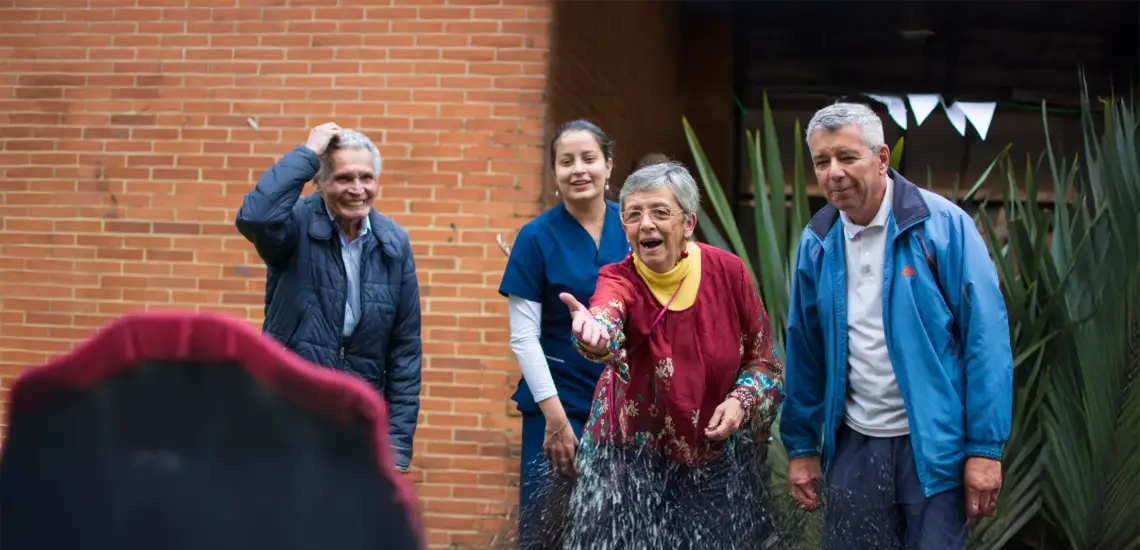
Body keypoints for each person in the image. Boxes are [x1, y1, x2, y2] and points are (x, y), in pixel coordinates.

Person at [779, 102, 1013, 549]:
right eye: (821, 161)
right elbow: (805, 351)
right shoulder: (817, 242)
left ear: (882, 158)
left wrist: (985, 449)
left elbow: (987, 340)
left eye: (847, 157)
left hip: (934, 451)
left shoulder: (942, 227)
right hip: (855, 447)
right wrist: (802, 447)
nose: (833, 173)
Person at [555, 161, 785, 548]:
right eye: (633, 215)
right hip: (626, 457)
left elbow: (764, 363)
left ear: (688, 223)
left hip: (711, 456)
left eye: (660, 212)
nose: (646, 224)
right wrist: (594, 336)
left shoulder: (729, 272)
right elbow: (605, 316)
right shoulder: (618, 277)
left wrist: (741, 401)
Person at [235, 123, 423, 473]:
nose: (357, 189)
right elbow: (255, 216)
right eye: (343, 178)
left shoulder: (393, 243)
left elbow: (405, 351)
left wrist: (396, 448)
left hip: (356, 425)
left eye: (366, 178)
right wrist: (308, 153)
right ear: (318, 183)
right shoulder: (294, 226)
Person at [497, 119, 630, 544]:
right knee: (547, 531)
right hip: (557, 406)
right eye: (566, 161)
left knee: (616, 532)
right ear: (553, 172)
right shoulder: (535, 237)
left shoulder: (635, 228)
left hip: (627, 408)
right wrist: (555, 419)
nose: (579, 170)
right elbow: (523, 337)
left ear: (609, 166)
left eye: (589, 159)